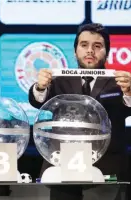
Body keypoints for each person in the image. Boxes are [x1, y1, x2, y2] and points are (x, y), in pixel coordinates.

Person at [29, 23, 131, 180]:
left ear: (108, 53)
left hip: (107, 166)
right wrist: (40, 87)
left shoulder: (121, 83)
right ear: (75, 52)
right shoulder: (58, 80)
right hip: (60, 164)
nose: (90, 50)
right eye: (84, 45)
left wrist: (130, 92)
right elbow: (37, 101)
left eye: (97, 46)